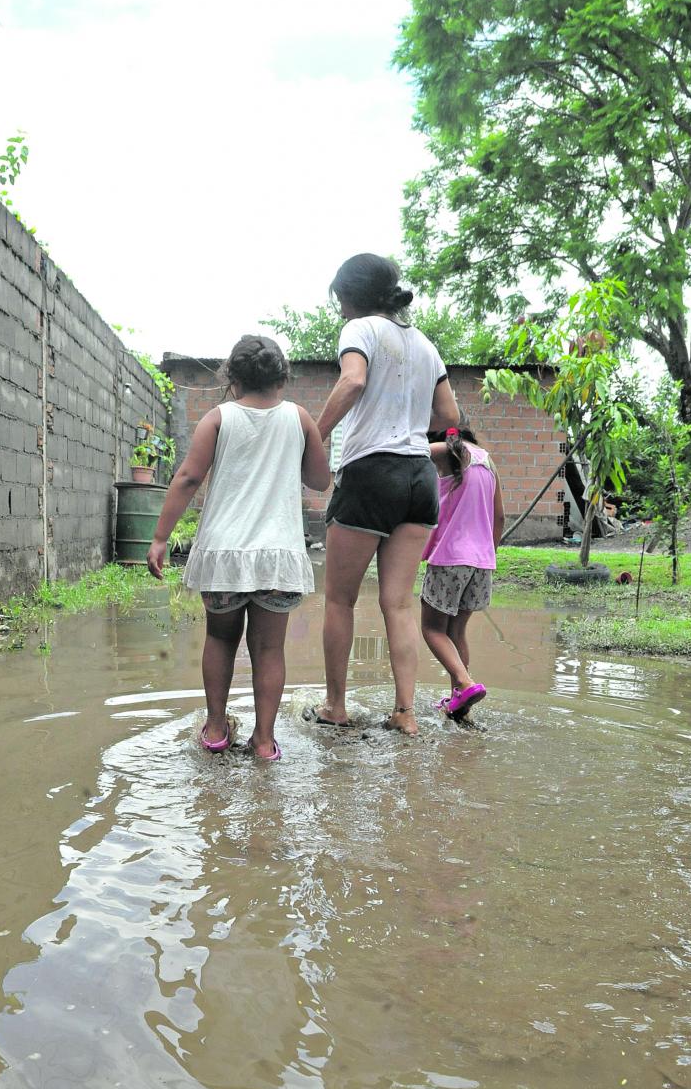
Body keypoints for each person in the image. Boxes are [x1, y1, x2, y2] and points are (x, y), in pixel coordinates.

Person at [147, 335, 330, 761]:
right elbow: (322, 481)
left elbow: (188, 478)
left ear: (232, 378)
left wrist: (159, 538)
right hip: (277, 557)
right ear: (283, 376)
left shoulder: (218, 418)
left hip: (224, 556)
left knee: (220, 638)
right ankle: (264, 742)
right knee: (269, 649)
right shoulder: (299, 419)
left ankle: (215, 729)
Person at [309, 253, 460, 736]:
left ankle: (336, 706)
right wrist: (405, 411)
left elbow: (352, 380)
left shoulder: (360, 330)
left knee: (339, 600)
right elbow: (448, 414)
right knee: (397, 604)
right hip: (419, 476)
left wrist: (315, 434)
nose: (339, 311)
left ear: (351, 297)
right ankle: (406, 713)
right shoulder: (425, 344)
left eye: (339, 301)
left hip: (371, 472)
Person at [420, 425, 504, 717]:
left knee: (432, 628)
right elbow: (500, 517)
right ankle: (460, 702)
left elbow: (412, 451)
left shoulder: (449, 451)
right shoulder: (488, 460)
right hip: (482, 562)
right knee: (457, 631)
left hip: (450, 556)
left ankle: (465, 683)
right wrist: (486, 554)